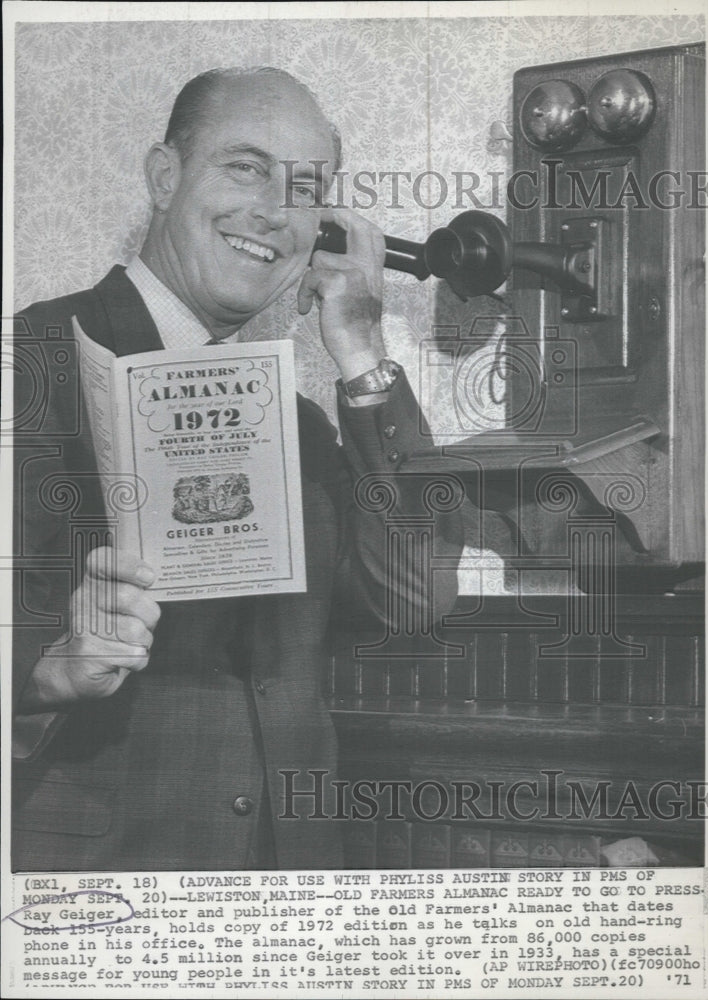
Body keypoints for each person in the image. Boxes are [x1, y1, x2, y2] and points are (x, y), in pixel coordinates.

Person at [12, 67, 463, 872]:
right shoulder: (29, 361)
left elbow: (413, 594)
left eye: (304, 188)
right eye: (244, 167)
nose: (272, 212)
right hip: (100, 892)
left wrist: (362, 353)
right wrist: (45, 674)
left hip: (280, 884)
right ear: (163, 177)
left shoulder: (300, 424)